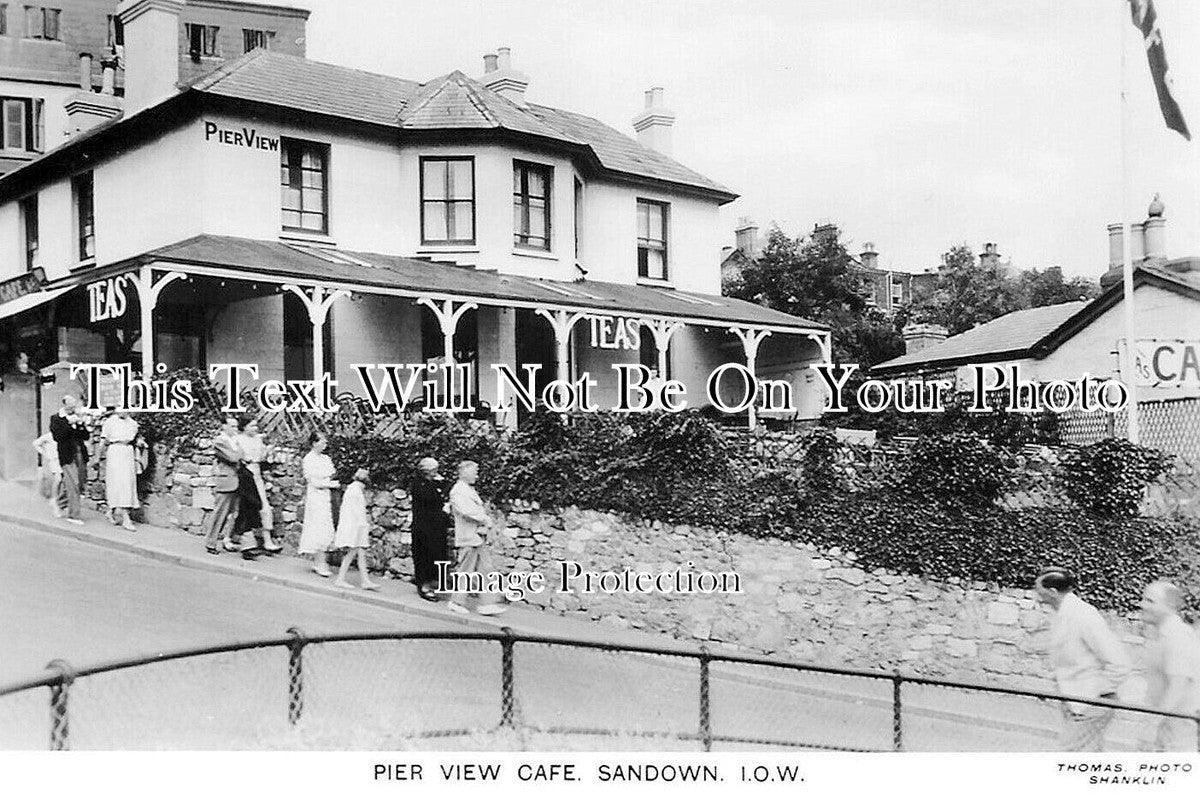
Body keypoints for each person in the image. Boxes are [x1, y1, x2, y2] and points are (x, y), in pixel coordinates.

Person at [1034, 566, 1132, 751]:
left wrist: (1092, 694)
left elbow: (1119, 663)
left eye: (1039, 590)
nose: (1037, 595)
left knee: (1067, 754)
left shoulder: (1083, 615)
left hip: (1090, 705)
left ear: (1053, 592)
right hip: (1075, 702)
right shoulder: (1062, 614)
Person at [1138, 580, 1200, 752]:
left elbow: (1178, 686)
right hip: (1161, 730)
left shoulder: (1177, 636)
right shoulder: (1158, 634)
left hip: (1176, 735)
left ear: (1169, 606)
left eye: (1150, 601)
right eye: (1143, 599)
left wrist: (1153, 726)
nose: (1142, 604)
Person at [445, 460, 505, 616]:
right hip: (468, 536)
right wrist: (485, 519)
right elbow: (466, 511)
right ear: (464, 473)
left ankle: (487, 603)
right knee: (466, 570)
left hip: (477, 536)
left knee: (486, 569)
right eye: (474, 473)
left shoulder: (467, 490)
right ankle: (456, 601)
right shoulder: (458, 491)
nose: (477, 476)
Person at [229, 417, 281, 559]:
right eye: (252, 425)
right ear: (244, 427)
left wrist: (268, 451)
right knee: (240, 508)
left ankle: (267, 541)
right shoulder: (237, 439)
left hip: (256, 475)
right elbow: (233, 456)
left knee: (264, 506)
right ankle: (230, 539)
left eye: (256, 425)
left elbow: (263, 457)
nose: (255, 428)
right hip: (244, 475)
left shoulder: (258, 439)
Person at [410, 456, 451, 602]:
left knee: (436, 555)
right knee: (424, 557)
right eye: (434, 470)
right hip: (423, 528)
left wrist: (440, 484)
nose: (437, 472)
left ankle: (432, 582)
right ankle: (424, 586)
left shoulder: (433, 483)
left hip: (436, 527)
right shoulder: (419, 484)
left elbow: (444, 491)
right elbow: (431, 500)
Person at [298, 432, 339, 577]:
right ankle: (320, 563)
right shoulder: (308, 459)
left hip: (326, 497)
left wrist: (329, 483)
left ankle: (320, 562)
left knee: (327, 526)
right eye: (322, 442)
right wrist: (330, 484)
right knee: (318, 527)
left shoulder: (326, 458)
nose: (324, 445)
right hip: (316, 498)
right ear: (314, 443)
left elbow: (331, 474)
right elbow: (314, 482)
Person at [333, 468, 379, 590]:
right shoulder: (355, 491)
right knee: (352, 553)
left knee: (361, 554)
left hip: (356, 527)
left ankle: (365, 581)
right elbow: (356, 512)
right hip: (355, 528)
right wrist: (363, 526)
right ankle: (340, 579)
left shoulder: (353, 489)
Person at [203, 416, 243, 555]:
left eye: (236, 426)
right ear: (224, 427)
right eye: (232, 426)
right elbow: (234, 458)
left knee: (236, 513)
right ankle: (211, 542)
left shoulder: (235, 441)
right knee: (220, 513)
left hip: (237, 480)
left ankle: (228, 539)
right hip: (226, 481)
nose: (235, 429)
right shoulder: (220, 441)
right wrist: (241, 450)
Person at [49, 395, 89, 526]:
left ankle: (59, 503)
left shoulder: (76, 417)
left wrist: (80, 424)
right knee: (74, 484)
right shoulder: (56, 419)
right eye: (70, 406)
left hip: (80, 454)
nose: (73, 409)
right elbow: (58, 437)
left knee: (80, 483)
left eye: (74, 406)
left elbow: (85, 436)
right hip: (67, 455)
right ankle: (73, 515)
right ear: (65, 405)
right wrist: (70, 424)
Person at [100, 409, 140, 532]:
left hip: (127, 452)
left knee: (127, 483)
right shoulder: (110, 422)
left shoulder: (133, 423)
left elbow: (135, 439)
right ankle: (126, 519)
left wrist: (140, 443)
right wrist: (98, 457)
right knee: (117, 482)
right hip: (115, 451)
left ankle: (110, 512)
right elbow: (103, 441)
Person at [32, 431, 62, 518]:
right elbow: (35, 443)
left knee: (61, 480)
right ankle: (54, 498)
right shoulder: (49, 435)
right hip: (54, 460)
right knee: (58, 479)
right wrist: (45, 453)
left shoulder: (62, 433)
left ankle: (57, 499)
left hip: (62, 459)